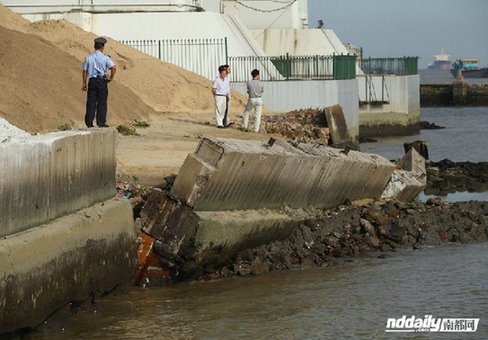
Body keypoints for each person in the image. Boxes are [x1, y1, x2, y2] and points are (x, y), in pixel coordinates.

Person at [82, 36, 116, 128]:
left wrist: (84, 83)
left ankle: (89, 122)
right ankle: (101, 122)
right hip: (102, 81)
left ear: (94, 46)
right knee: (101, 102)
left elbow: (84, 70)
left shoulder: (88, 57)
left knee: (91, 102)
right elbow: (113, 67)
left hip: (92, 81)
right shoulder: (105, 58)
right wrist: (111, 77)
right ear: (102, 47)